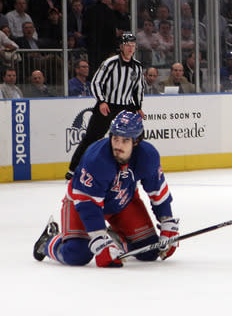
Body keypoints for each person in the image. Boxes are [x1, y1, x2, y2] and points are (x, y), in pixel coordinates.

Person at [33, 111, 180, 268]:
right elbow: (87, 203)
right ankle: (49, 241)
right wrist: (98, 237)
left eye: (125, 140)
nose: (118, 145)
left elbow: (158, 191)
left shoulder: (148, 156)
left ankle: (115, 238)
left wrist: (167, 222)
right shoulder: (96, 159)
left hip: (122, 202)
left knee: (148, 252)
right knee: (77, 254)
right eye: (115, 138)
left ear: (136, 141)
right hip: (81, 203)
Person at [66, 33, 144, 180]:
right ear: (121, 46)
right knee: (91, 138)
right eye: (127, 45)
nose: (130, 48)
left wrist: (138, 106)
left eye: (133, 46)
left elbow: (138, 88)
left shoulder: (137, 67)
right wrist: (102, 101)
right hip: (107, 105)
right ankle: (73, 169)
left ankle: (129, 168)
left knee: (133, 138)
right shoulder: (110, 63)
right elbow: (96, 82)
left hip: (126, 107)